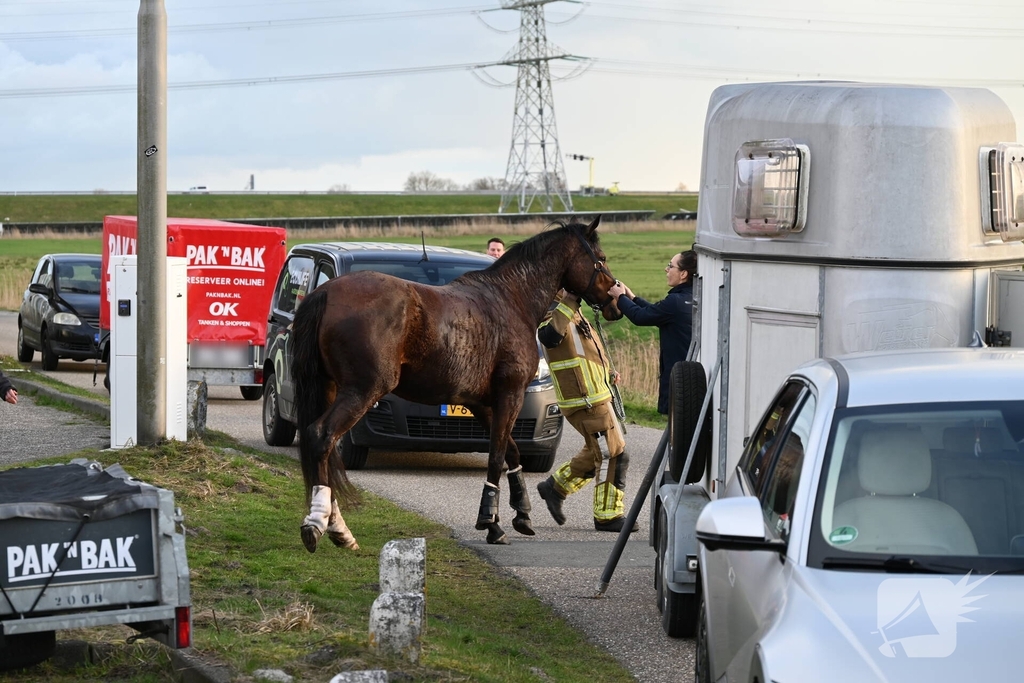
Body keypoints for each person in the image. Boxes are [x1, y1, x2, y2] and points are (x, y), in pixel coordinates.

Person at [535, 290, 635, 532]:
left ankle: (555, 487)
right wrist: (570, 299)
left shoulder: (573, 309)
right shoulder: (552, 308)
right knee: (613, 454)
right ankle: (607, 516)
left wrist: (608, 372)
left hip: (596, 394)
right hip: (583, 399)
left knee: (603, 450)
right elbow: (549, 337)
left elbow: (586, 349)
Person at [608, 249, 696, 415]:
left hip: (679, 378)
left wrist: (620, 298)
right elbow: (655, 312)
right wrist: (631, 298)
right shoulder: (691, 297)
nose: (666, 269)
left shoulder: (675, 302)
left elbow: (640, 317)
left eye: (670, 266)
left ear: (683, 274)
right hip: (691, 378)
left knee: (677, 431)